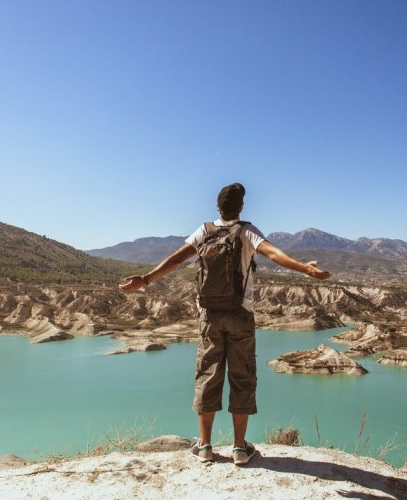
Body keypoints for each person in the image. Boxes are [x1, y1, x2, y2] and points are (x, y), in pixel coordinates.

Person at [119, 182, 331, 465]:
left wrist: (145, 279)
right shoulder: (246, 231)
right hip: (240, 315)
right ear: (240, 207)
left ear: (217, 208)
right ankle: (240, 449)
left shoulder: (204, 231)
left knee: (207, 375)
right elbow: (274, 254)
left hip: (208, 316)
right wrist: (305, 268)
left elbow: (175, 259)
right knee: (242, 377)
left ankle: (205, 447)